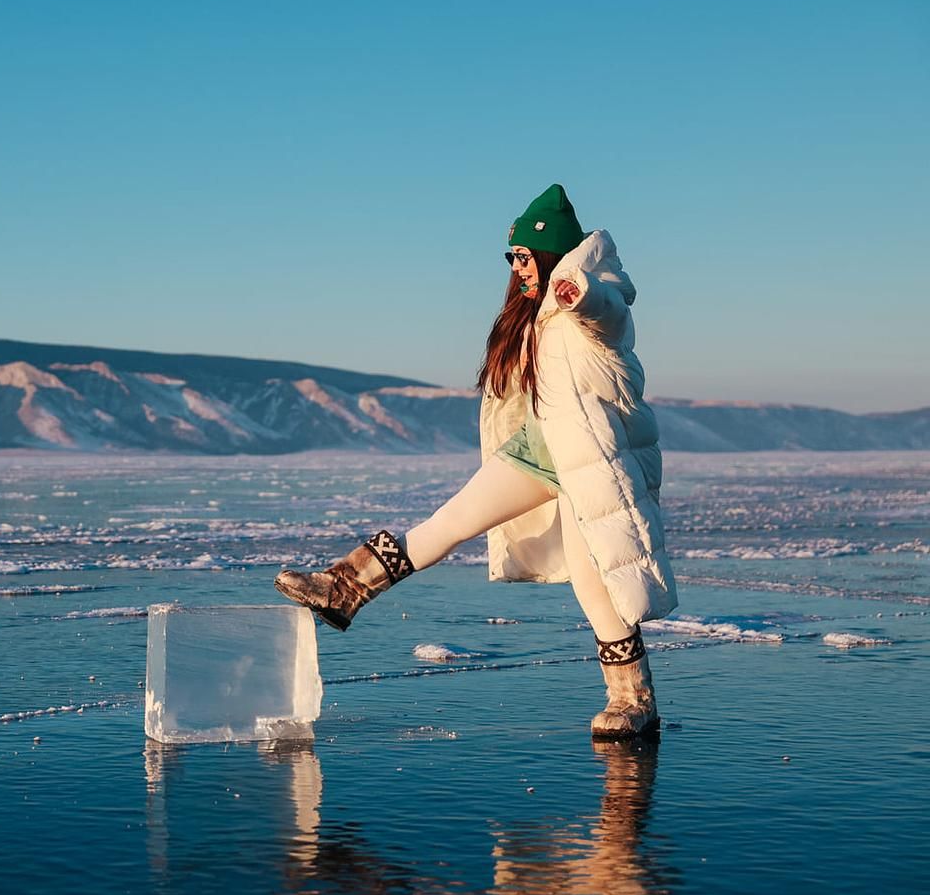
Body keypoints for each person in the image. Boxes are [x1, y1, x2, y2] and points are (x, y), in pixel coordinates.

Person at [275, 184, 676, 739]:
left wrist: (575, 291)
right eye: (512, 258)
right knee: (449, 521)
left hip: (589, 460)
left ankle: (633, 701)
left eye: (525, 256)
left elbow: (604, 311)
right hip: (539, 453)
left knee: (595, 586)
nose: (518, 268)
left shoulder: (595, 297)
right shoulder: (534, 313)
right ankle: (343, 589)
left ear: (554, 253)